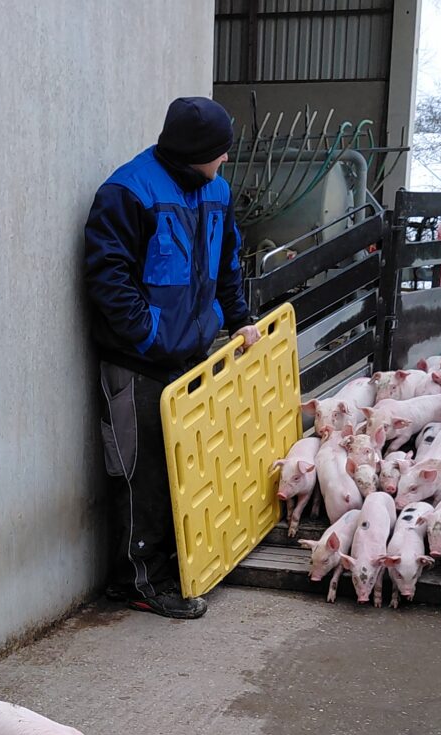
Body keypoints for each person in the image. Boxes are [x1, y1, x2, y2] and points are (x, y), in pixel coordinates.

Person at [84, 97, 259, 620]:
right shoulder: (127, 191)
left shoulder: (216, 191)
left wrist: (240, 319)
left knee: (189, 471)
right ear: (197, 153)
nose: (226, 160)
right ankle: (139, 581)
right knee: (143, 475)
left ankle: (181, 567)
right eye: (221, 152)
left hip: (192, 359)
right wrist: (149, 334)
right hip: (137, 362)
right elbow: (107, 277)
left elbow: (228, 262)